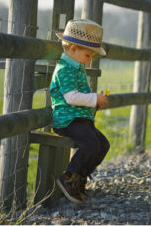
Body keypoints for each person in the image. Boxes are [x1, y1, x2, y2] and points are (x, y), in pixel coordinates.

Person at [49, 19, 109, 205]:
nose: (90, 59)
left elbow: (79, 96)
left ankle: (80, 178)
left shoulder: (77, 67)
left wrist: (94, 101)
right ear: (73, 48)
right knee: (90, 144)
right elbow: (71, 97)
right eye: (88, 54)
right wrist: (93, 99)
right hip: (68, 120)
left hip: (80, 118)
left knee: (102, 144)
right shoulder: (65, 69)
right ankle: (69, 178)